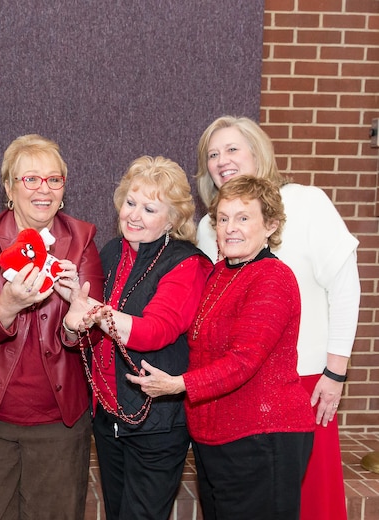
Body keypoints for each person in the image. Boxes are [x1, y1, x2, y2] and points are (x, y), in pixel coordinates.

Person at [194, 116, 359, 520]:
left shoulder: (306, 202)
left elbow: (345, 285)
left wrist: (335, 372)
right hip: (233, 392)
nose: (222, 160)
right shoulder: (206, 227)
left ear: (258, 151)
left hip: (302, 385)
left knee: (310, 503)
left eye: (233, 149)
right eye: (213, 154)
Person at [128, 176, 316, 519]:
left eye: (244, 218)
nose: (231, 228)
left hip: (263, 437)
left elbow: (243, 361)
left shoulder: (272, 278)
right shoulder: (219, 274)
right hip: (216, 439)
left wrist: (178, 384)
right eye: (224, 218)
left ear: (270, 224)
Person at [0, 134, 103, 519]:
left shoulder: (81, 239)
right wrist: (6, 306)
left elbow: (92, 328)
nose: (43, 190)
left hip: (58, 421)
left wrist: (73, 324)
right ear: (8, 188)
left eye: (54, 179)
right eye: (29, 179)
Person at [60, 156, 212, 519]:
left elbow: (154, 331)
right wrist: (71, 293)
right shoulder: (112, 250)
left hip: (156, 425)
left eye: (150, 208)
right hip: (109, 418)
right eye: (130, 202)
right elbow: (88, 325)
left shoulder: (187, 263)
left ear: (173, 219)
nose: (134, 215)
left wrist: (93, 310)